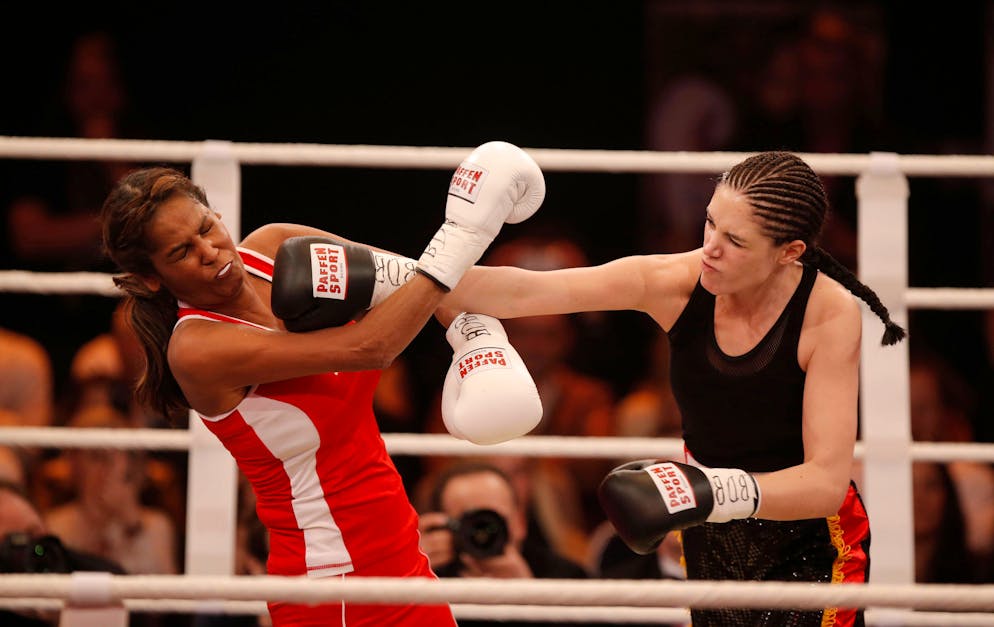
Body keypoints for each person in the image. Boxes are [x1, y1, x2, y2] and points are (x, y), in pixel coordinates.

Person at [442, 150, 906, 626]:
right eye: (710, 223)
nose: (711, 248)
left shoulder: (828, 313)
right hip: (712, 531)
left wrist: (709, 489)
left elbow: (826, 484)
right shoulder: (676, 283)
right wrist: (392, 271)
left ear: (790, 252)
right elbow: (525, 292)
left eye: (736, 241)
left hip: (812, 542)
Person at [98, 140, 544, 627]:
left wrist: (476, 332)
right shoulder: (198, 348)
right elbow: (369, 348)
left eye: (207, 228)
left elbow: (418, 283)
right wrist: (464, 230)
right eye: (182, 251)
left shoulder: (276, 248)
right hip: (332, 581)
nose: (210, 252)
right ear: (153, 277)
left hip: (398, 554)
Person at [417, 460, 591, 627]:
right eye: (469, 521)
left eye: (493, 519)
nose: (481, 532)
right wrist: (412, 569)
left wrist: (530, 598)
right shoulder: (430, 576)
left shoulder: (566, 577)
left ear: (520, 522)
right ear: (443, 527)